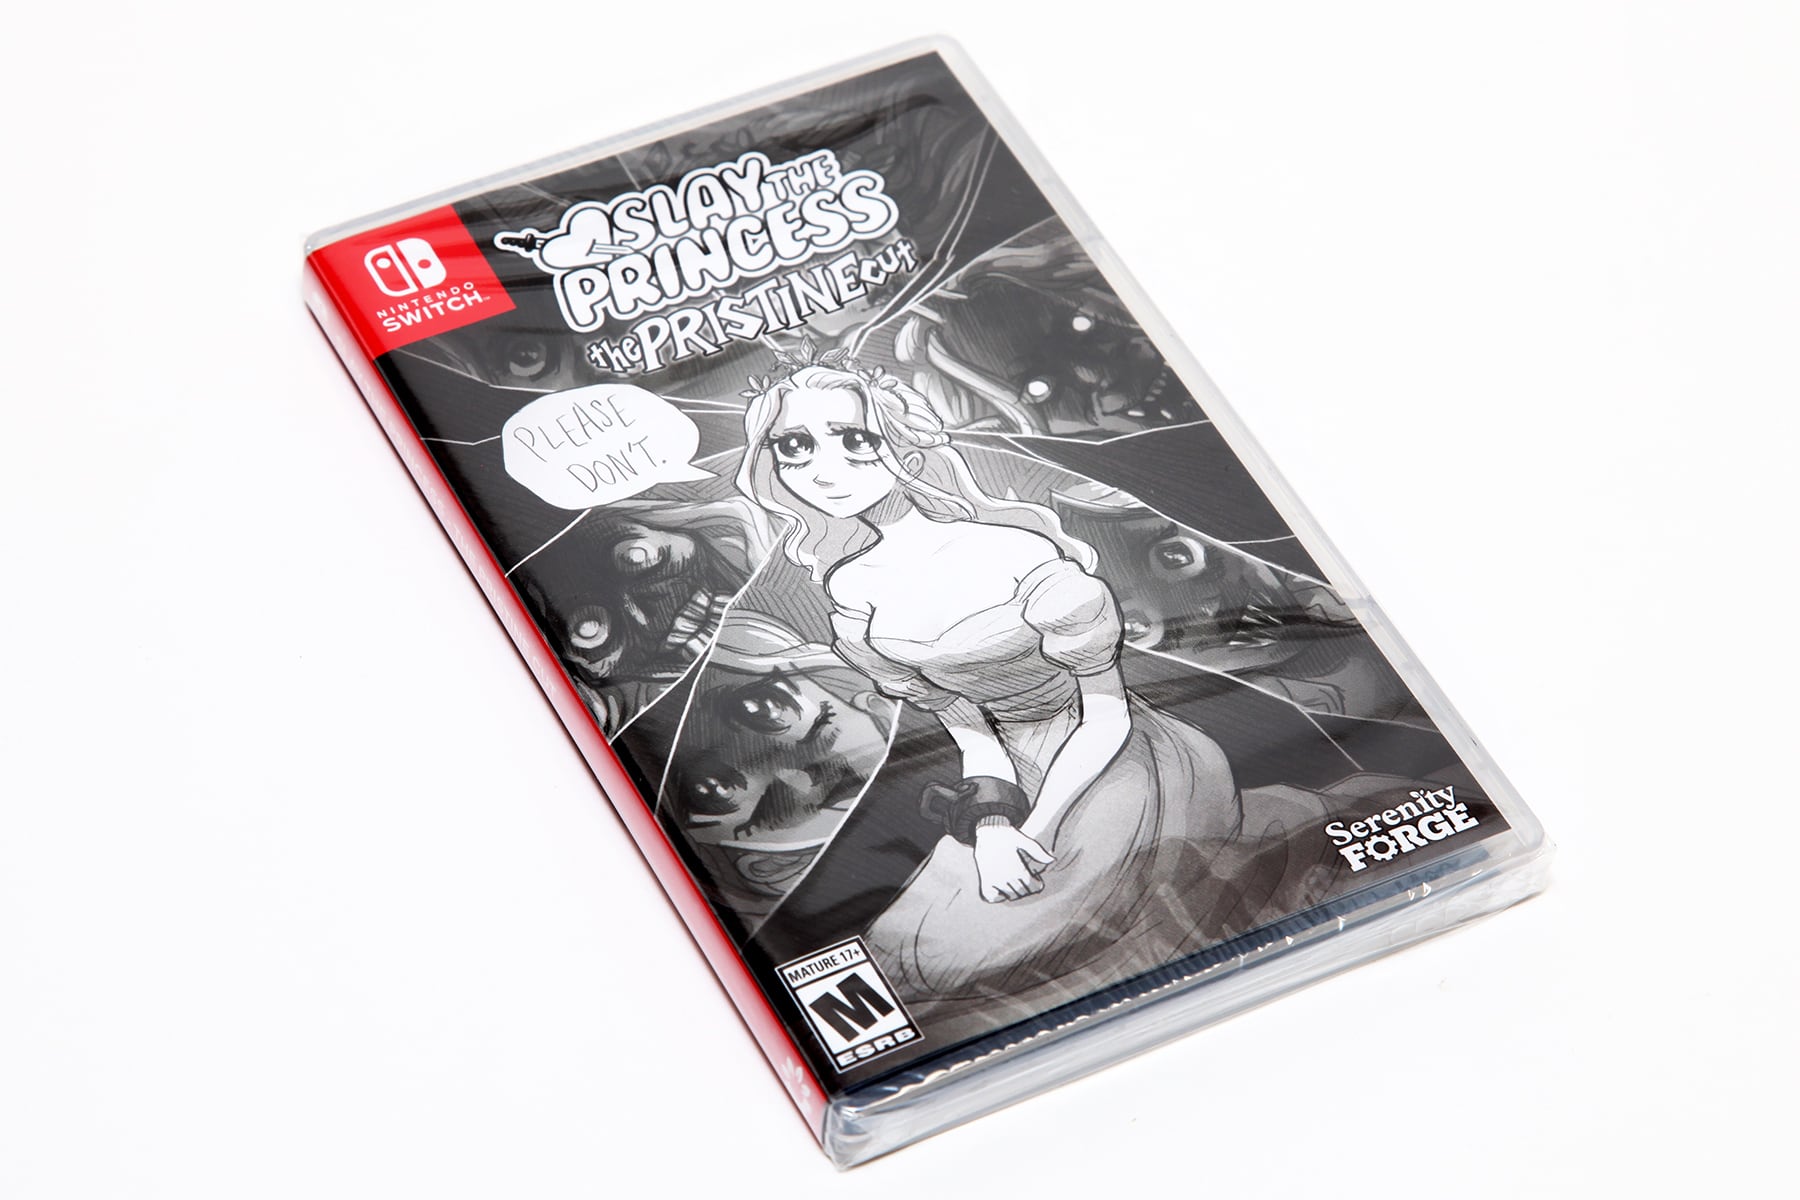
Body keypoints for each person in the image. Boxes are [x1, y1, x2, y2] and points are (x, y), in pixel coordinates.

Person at [735, 345, 1338, 1036]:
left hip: (1119, 758)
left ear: (900, 442)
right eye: (793, 446)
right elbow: (970, 731)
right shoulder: (850, 588)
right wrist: (995, 827)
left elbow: (1106, 716)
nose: (823, 469)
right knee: (916, 948)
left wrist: (1035, 830)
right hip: (1009, 778)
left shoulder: (1016, 552)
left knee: (1000, 952)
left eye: (853, 439)